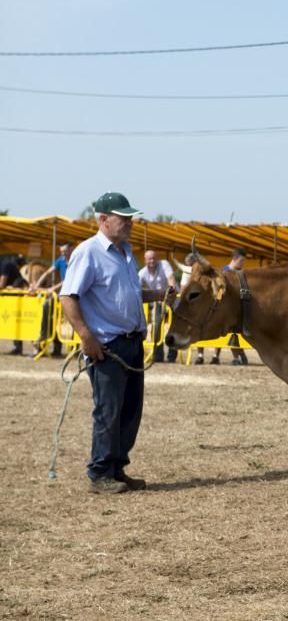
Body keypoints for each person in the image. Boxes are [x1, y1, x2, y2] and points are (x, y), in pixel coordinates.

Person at [59, 192, 174, 494]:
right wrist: (86, 337)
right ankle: (99, 473)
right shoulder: (88, 252)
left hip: (132, 344)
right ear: (103, 219)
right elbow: (68, 297)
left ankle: (116, 468)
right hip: (107, 346)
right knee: (109, 410)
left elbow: (132, 295)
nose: (130, 223)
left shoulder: (126, 253)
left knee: (130, 409)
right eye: (124, 218)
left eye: (130, 218)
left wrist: (160, 295)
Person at [198, 248, 249, 366]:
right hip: (223, 308)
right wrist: (219, 301)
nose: (242, 263)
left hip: (238, 308)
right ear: (235, 259)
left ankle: (239, 355)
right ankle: (233, 356)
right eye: (241, 261)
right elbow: (219, 290)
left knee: (236, 335)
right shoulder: (223, 272)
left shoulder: (242, 273)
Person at [29, 242, 74, 357]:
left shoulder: (76, 260)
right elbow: (47, 272)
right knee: (48, 309)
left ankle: (75, 347)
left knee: (73, 320)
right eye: (61, 251)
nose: (63, 254)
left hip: (74, 296)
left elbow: (68, 280)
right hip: (62, 295)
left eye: (65, 251)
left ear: (71, 250)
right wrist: (36, 286)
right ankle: (45, 339)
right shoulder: (60, 260)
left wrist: (52, 288)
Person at [137, 250, 177, 363]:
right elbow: (136, 288)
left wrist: (171, 294)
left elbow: (171, 279)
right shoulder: (142, 273)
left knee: (174, 327)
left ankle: (172, 356)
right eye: (149, 259)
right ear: (145, 261)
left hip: (172, 300)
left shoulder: (164, 264)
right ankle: (158, 355)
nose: (152, 261)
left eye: (154, 258)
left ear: (157, 258)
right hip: (158, 302)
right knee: (156, 327)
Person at [0, 254, 28, 355]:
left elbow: (1, 284)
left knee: (18, 322)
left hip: (18, 298)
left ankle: (19, 347)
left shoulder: (5, 265)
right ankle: (17, 347)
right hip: (11, 298)